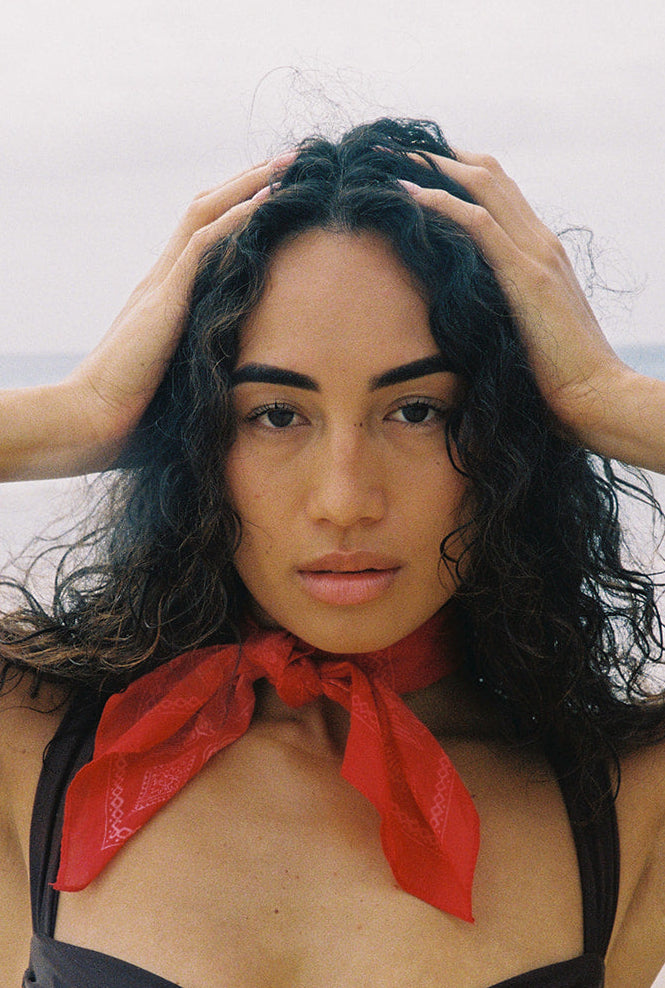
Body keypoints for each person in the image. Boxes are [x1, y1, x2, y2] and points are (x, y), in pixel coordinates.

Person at [1, 117, 665, 988]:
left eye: (418, 411)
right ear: (201, 439)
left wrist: (598, 396)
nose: (346, 499)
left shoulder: (629, 796)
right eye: (275, 414)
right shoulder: (29, 736)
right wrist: (79, 411)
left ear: (509, 435)